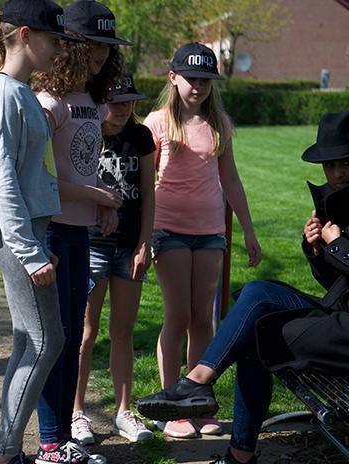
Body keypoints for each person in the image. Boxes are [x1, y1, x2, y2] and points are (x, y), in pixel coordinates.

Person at [137, 109, 349, 464]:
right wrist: (318, 251)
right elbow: (337, 283)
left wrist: (339, 246)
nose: (336, 174)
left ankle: (234, 448)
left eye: (345, 164)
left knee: (259, 337)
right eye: (329, 166)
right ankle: (198, 381)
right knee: (257, 294)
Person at [0, 1, 79, 463]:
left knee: (29, 341)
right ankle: (4, 453)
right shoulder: (5, 95)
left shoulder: (20, 91)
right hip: (18, 236)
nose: (58, 50)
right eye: (53, 40)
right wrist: (30, 252)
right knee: (47, 341)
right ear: (26, 36)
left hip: (26, 231)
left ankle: (5, 451)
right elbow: (2, 180)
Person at [143, 42, 262, 438]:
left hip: (211, 232)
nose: (198, 86)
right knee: (177, 315)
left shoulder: (220, 124)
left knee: (203, 319)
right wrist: (142, 238)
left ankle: (197, 401)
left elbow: (230, 179)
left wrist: (247, 230)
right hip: (169, 229)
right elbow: (144, 185)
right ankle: (170, 406)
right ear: (173, 77)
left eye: (206, 80)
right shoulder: (157, 122)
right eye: (191, 78)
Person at [29, 1, 127, 462]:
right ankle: (50, 442)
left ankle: (63, 438)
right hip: (51, 233)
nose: (102, 56)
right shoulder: (51, 102)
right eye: (93, 46)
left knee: (69, 335)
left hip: (80, 231)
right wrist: (94, 196)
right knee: (55, 338)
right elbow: (38, 176)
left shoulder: (95, 100)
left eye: (108, 48)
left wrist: (103, 198)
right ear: (69, 45)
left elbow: (83, 167)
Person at [70, 74, 154, 444]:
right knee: (85, 332)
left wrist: (144, 243)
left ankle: (124, 411)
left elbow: (150, 195)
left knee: (123, 331)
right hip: (91, 245)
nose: (122, 109)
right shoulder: (87, 133)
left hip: (128, 247)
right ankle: (76, 413)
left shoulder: (141, 138)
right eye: (115, 102)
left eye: (128, 101)